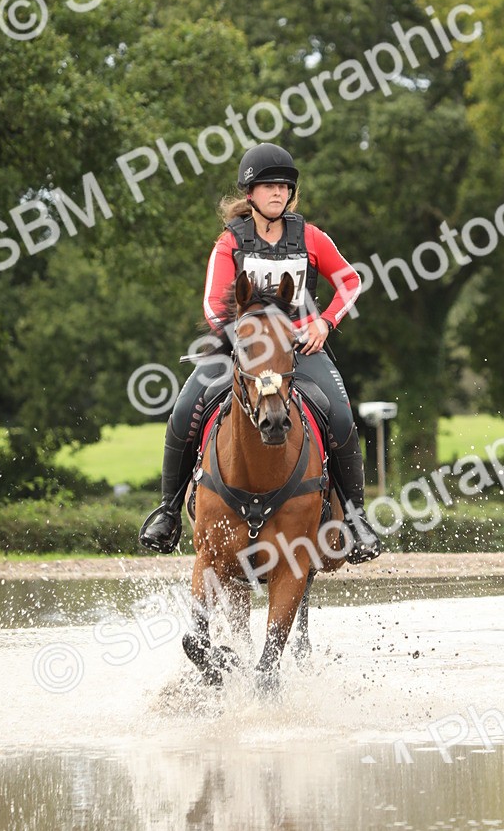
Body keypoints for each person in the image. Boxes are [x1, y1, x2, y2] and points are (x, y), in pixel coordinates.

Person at [139, 143, 381, 564]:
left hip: (300, 350)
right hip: (239, 351)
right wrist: (245, 343)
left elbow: (351, 281)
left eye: (284, 187)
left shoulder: (310, 237)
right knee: (184, 411)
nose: (278, 193)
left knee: (340, 414)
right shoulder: (229, 241)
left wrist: (324, 322)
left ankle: (356, 519)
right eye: (268, 186)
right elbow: (214, 305)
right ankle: (168, 512)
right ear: (249, 194)